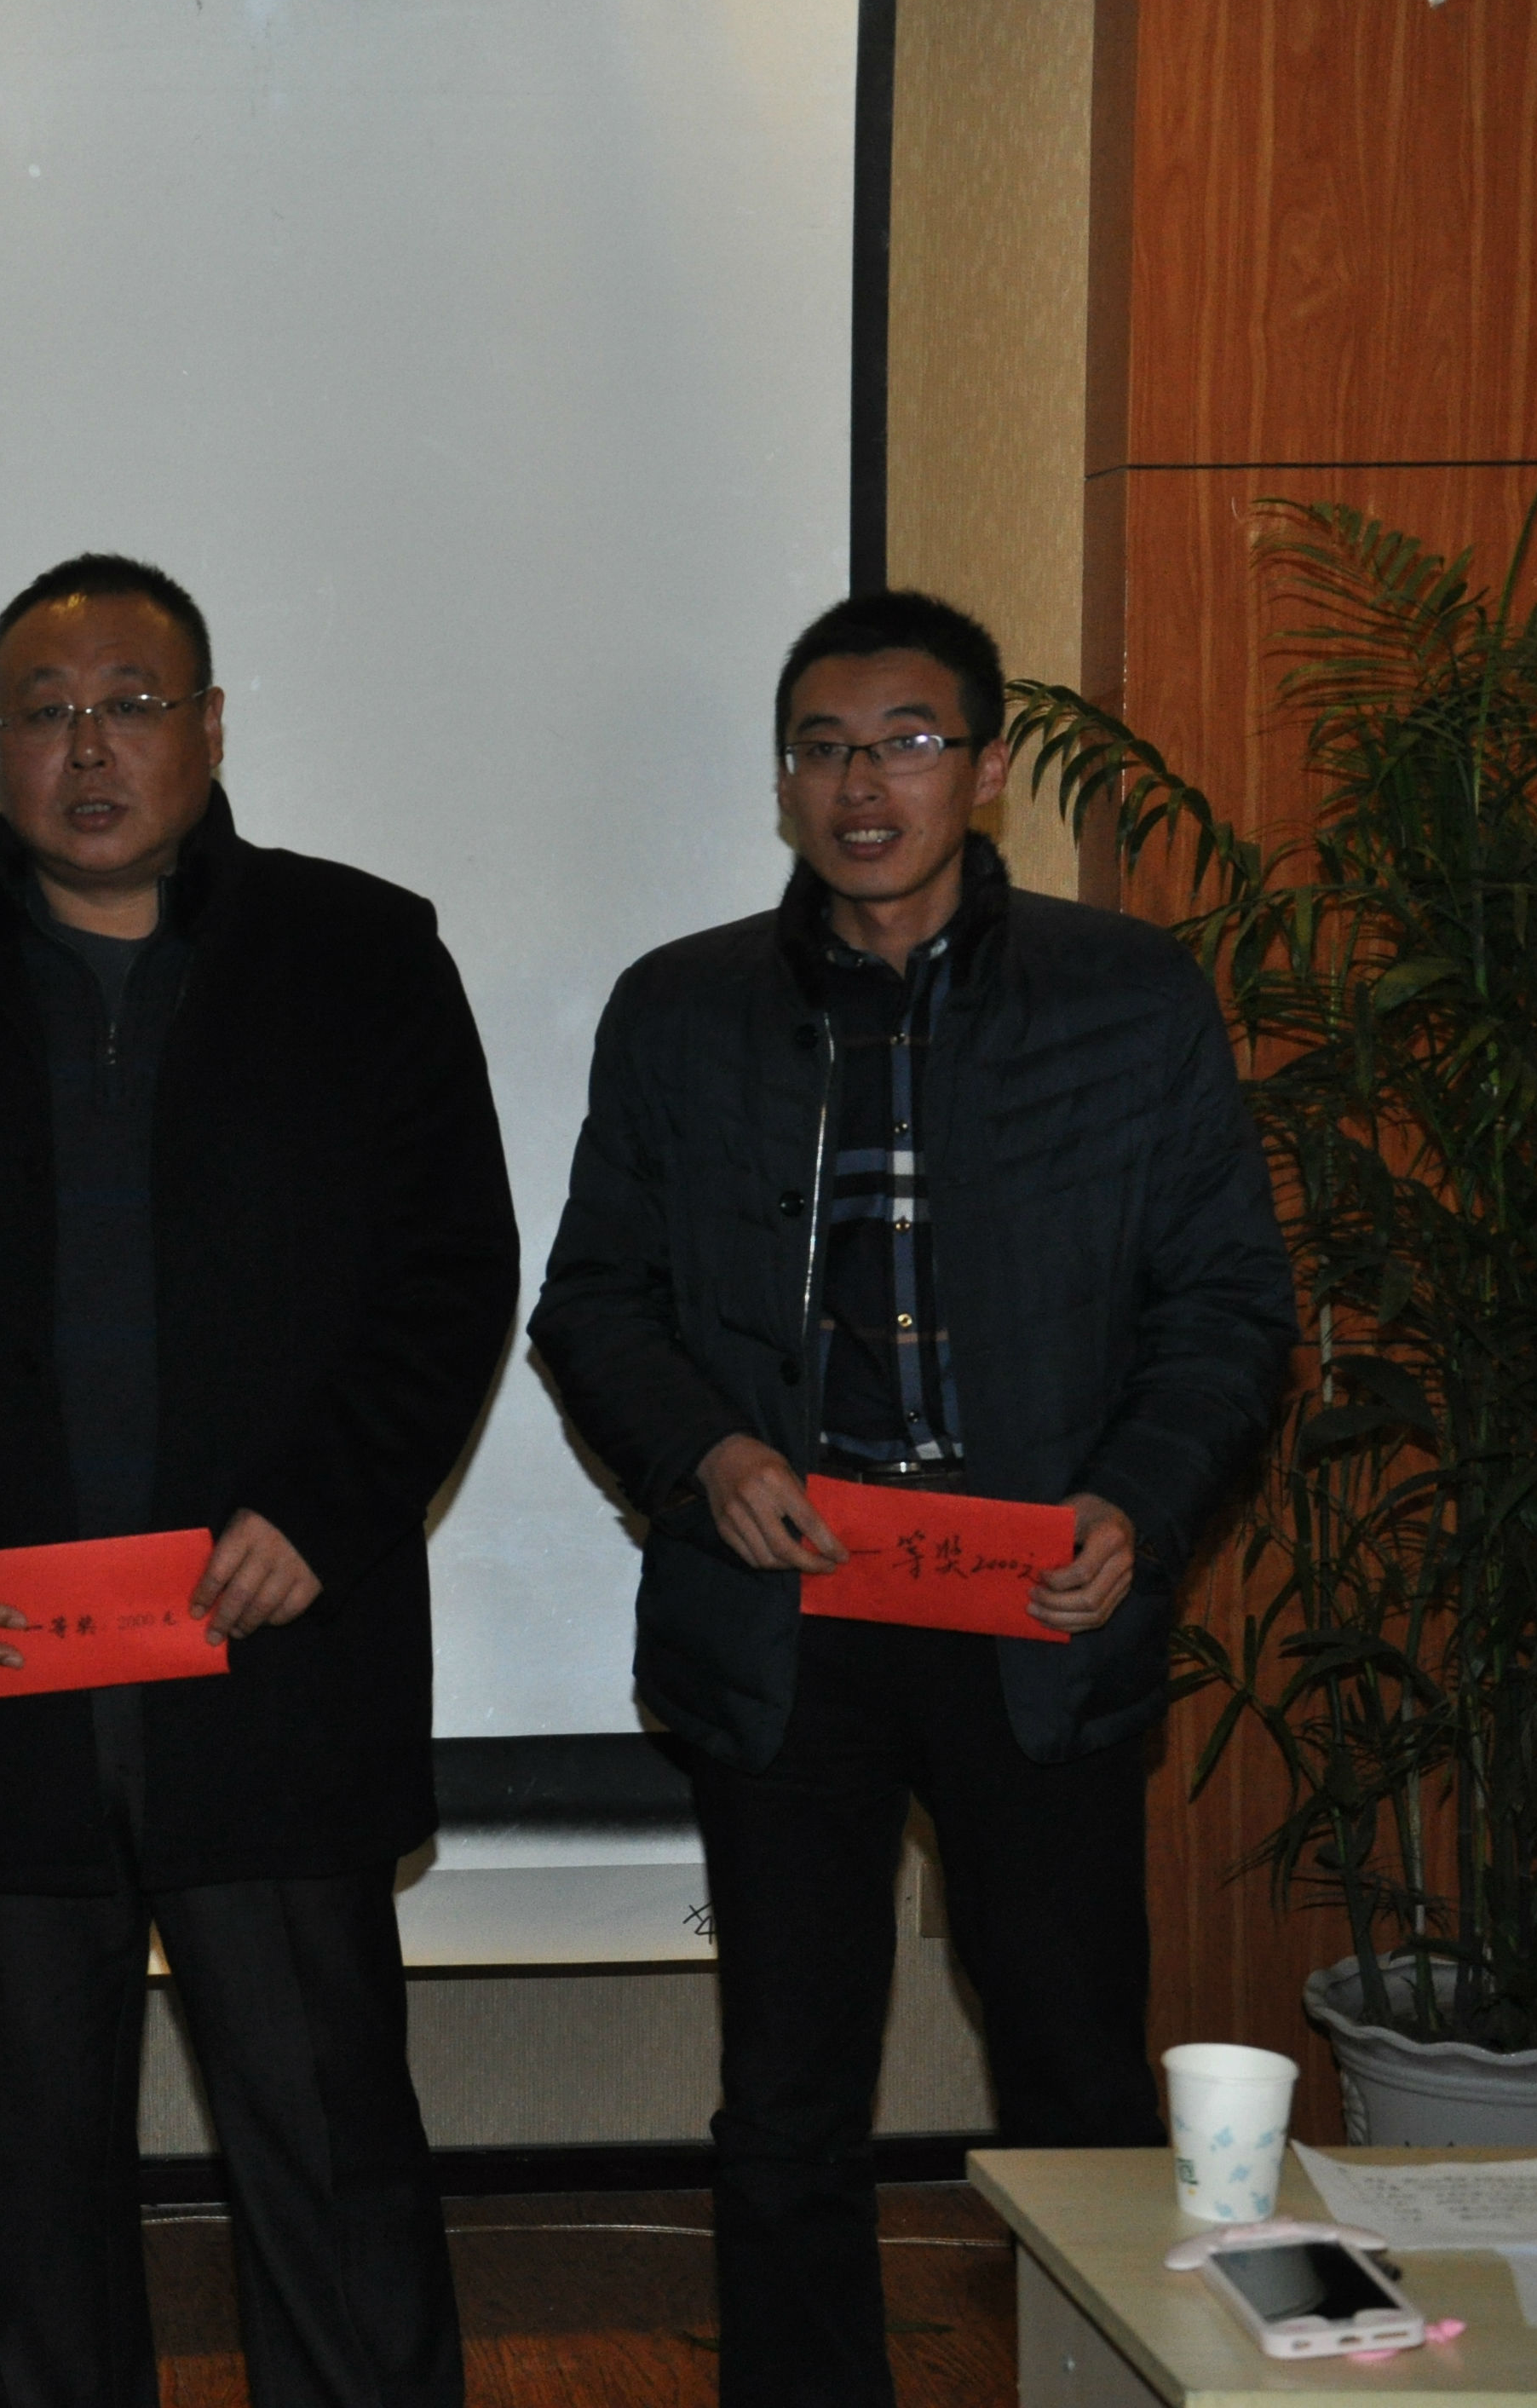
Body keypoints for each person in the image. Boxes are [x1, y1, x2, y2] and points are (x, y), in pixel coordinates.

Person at [528, 589, 1296, 2408]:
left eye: (906, 742)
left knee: (1072, 2073)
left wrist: (1134, 1503)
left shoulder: (1126, 997)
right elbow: (593, 1302)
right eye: (820, 749)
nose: (860, 785)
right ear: (782, 779)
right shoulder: (681, 1006)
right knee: (787, 2094)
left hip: (1031, 1605)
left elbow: (1227, 1307)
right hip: (786, 1610)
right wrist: (710, 1459)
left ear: (989, 769)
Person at [0, 553, 518, 2408]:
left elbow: (451, 1276)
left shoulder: (362, 954)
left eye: (128, 704)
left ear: (208, 728)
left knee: (331, 2161)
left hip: (273, 1656)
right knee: (21, 2194)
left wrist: (326, 1514)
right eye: (43, 712)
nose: (87, 748)